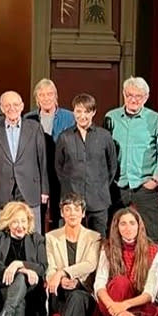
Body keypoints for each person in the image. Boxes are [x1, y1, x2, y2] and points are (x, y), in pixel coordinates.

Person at [93, 207, 158, 316]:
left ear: (139, 226)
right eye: (123, 224)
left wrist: (123, 307)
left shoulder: (153, 251)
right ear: (116, 227)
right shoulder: (107, 248)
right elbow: (99, 285)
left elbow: (149, 293)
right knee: (121, 282)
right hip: (109, 304)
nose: (128, 228)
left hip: (137, 304)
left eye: (132, 223)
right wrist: (114, 308)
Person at [43, 193, 102, 316]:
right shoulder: (52, 237)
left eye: (77, 209)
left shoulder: (94, 237)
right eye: (67, 209)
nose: (72, 213)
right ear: (61, 213)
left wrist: (65, 273)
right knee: (72, 299)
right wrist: (59, 278)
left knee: (78, 296)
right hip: (60, 293)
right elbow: (50, 268)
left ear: (83, 214)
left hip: (83, 293)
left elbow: (90, 264)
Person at [104, 77, 158, 243]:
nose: (133, 100)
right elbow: (105, 150)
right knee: (113, 233)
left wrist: (155, 178)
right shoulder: (111, 118)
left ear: (146, 97)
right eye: (129, 95)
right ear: (124, 94)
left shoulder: (155, 119)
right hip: (118, 185)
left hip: (145, 185)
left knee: (153, 234)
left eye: (138, 96)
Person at [0, 90, 48, 232]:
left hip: (30, 189)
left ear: (22, 106)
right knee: (3, 234)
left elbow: (42, 160)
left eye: (15, 105)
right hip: (2, 190)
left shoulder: (34, 128)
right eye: (7, 105)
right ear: (1, 108)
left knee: (33, 234)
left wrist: (45, 189)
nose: (12, 108)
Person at [55, 94, 118, 237]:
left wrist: (99, 185)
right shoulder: (64, 137)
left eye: (86, 111)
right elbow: (59, 167)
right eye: (78, 111)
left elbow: (112, 166)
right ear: (74, 112)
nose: (82, 116)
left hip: (98, 201)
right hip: (73, 202)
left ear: (93, 112)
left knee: (98, 242)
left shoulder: (104, 136)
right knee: (73, 242)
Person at [24, 78, 76, 228]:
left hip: (60, 172)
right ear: (37, 98)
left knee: (59, 211)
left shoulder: (70, 117)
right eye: (42, 95)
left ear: (56, 96)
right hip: (36, 173)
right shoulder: (29, 119)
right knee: (36, 213)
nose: (46, 98)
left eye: (49, 94)